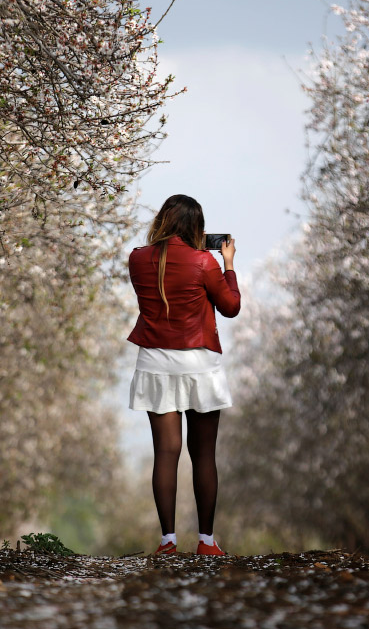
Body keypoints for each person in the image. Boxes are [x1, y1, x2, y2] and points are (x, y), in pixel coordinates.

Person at [127, 194, 240, 556]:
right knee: (203, 455)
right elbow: (231, 307)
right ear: (196, 228)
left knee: (166, 452)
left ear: (162, 220)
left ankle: (167, 542)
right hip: (198, 365)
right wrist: (228, 266)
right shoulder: (204, 262)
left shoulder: (137, 259)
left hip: (155, 363)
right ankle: (206, 542)